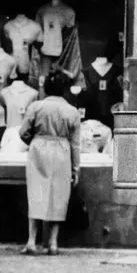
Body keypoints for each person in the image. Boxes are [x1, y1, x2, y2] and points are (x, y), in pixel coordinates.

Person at [19, 69, 81, 255]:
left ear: (46, 87)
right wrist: (76, 169)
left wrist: (34, 140)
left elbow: (22, 132)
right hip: (62, 151)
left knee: (36, 193)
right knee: (58, 196)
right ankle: (53, 243)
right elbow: (76, 144)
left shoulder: (36, 107)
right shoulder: (72, 111)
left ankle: (31, 241)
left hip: (38, 149)